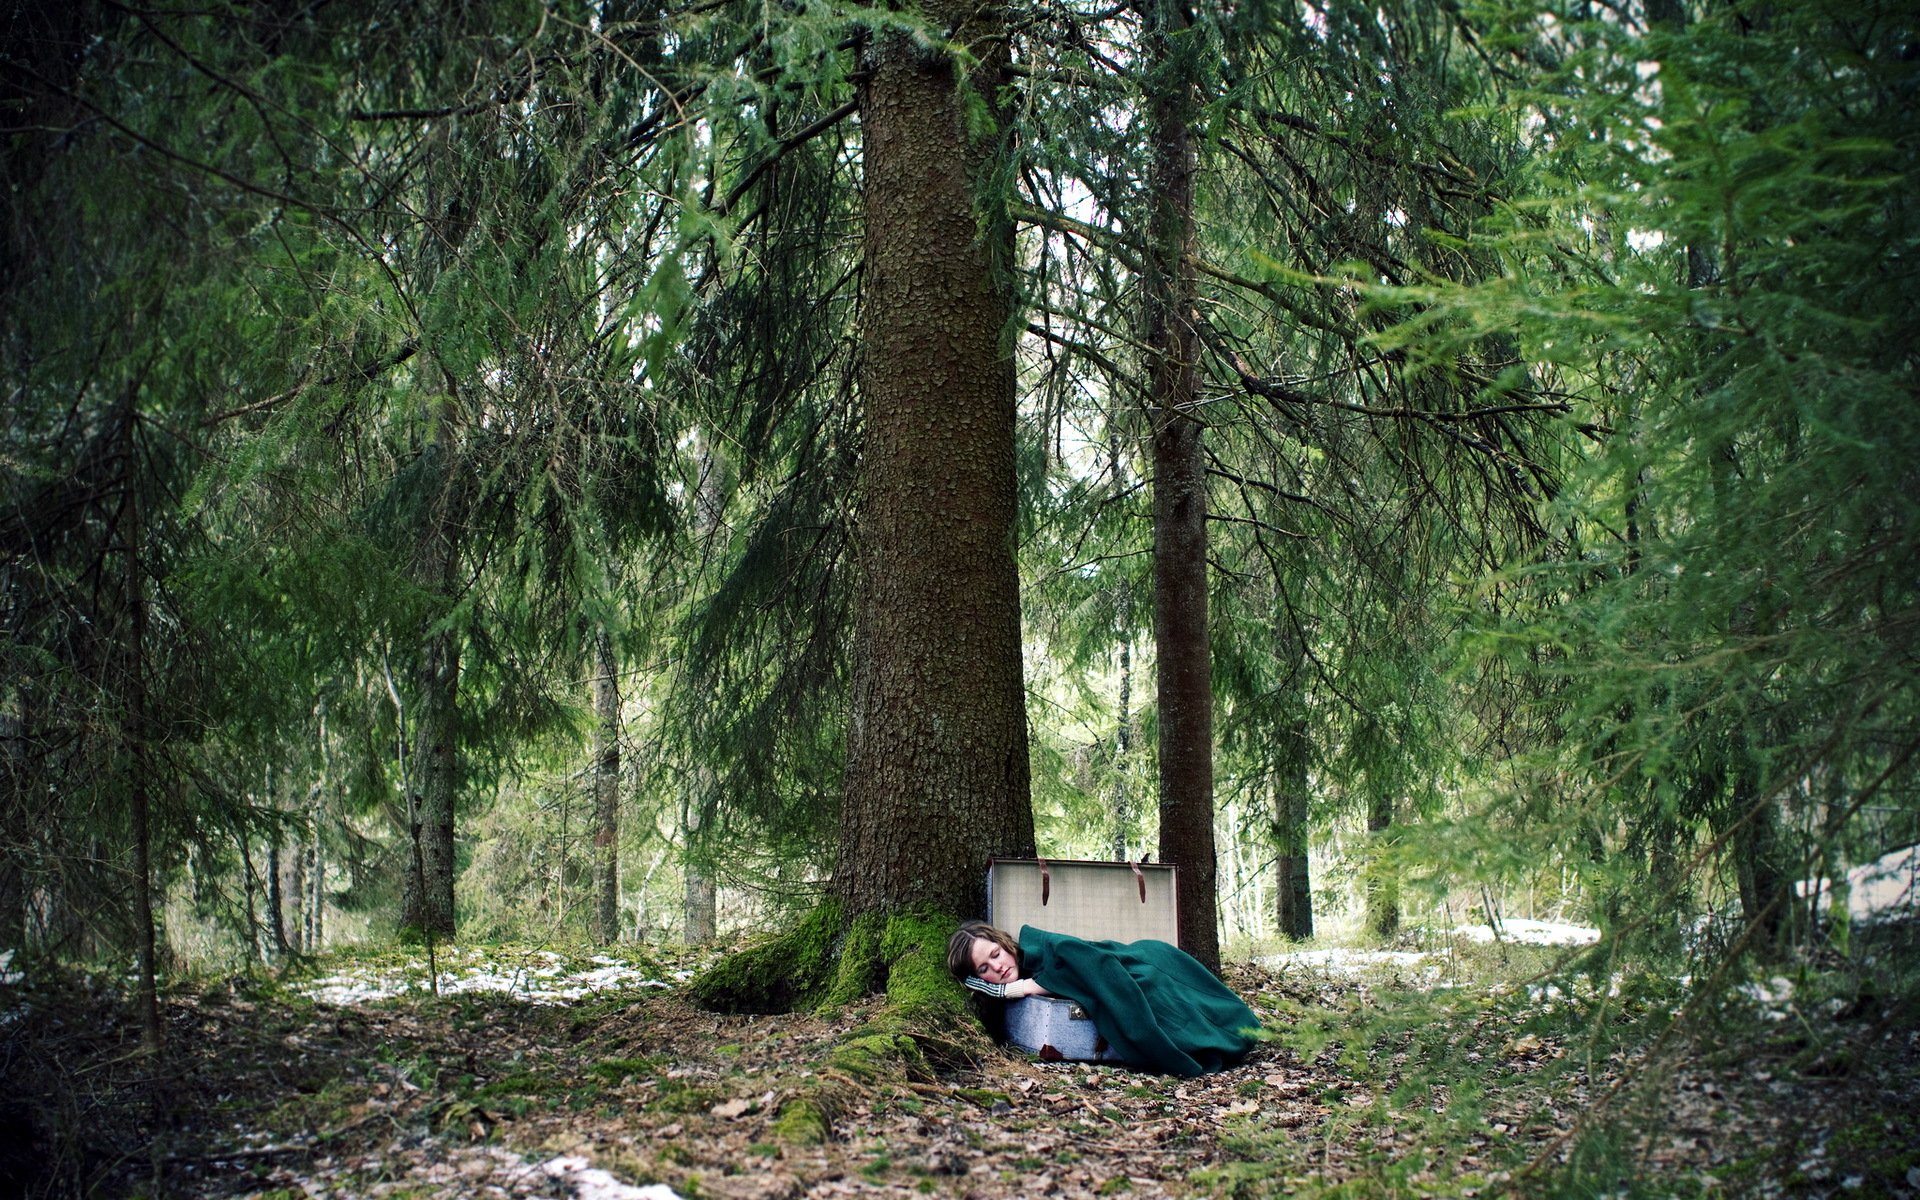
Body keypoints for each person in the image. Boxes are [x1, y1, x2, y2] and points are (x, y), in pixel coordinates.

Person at [946, 920, 1261, 1076]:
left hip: (1143, 965)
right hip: (1132, 969)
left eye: (996, 954)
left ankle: (1233, 1028)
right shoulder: (1017, 977)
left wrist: (1028, 987)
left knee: (1182, 1007)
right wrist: (1003, 987)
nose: (997, 967)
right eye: (984, 969)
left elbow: (1090, 963)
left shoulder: (1047, 950)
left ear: (1004, 942)